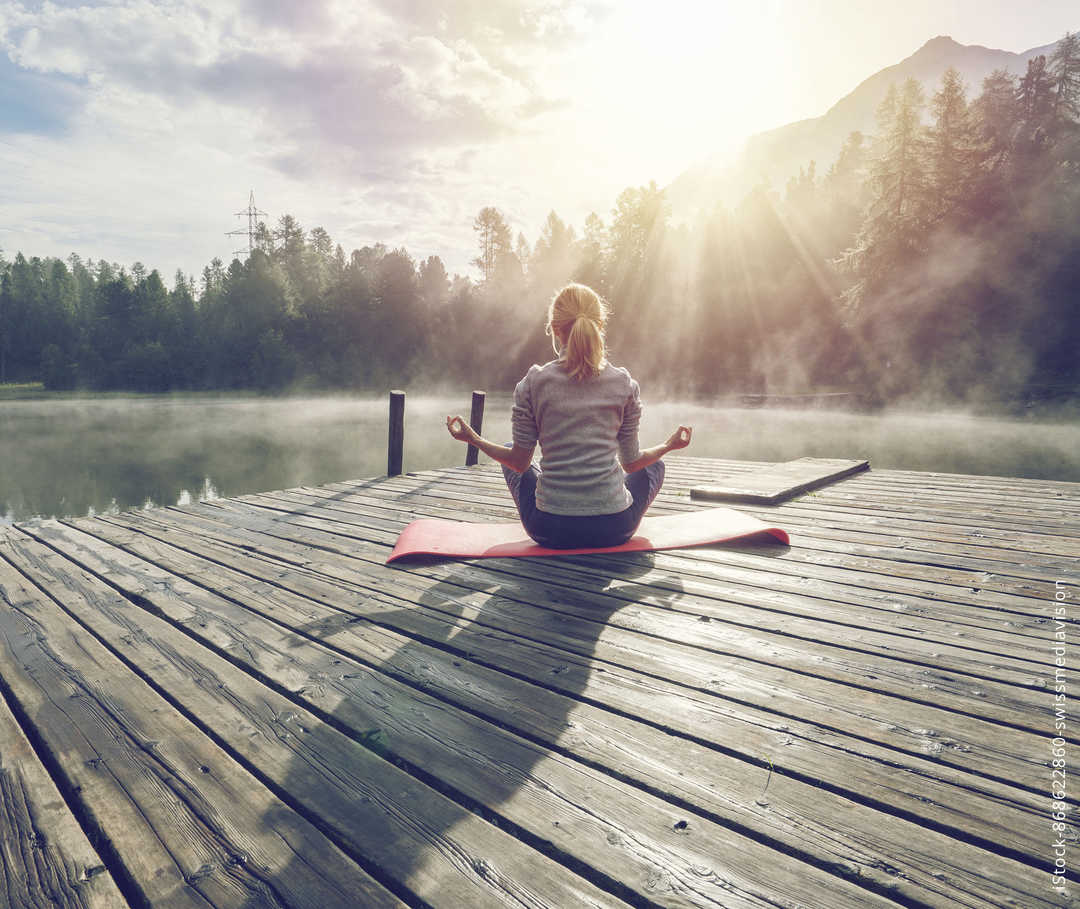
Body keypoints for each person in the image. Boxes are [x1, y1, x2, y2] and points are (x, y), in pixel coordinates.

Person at [446, 283, 691, 549]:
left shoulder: (533, 383)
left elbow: (518, 462)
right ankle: (606, 496)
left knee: (513, 453)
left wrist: (474, 439)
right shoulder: (624, 384)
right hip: (615, 528)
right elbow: (631, 463)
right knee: (654, 465)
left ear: (555, 329)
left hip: (550, 529)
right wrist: (669, 445)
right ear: (600, 327)